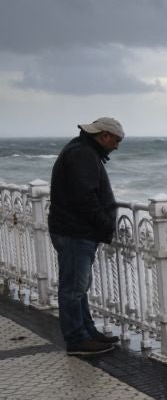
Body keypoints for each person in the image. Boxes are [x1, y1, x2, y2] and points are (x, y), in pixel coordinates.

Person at [48, 117, 124, 356]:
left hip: (73, 229)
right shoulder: (83, 155)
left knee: (78, 287)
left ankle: (87, 332)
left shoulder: (81, 150)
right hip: (75, 231)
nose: (117, 146)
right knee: (73, 288)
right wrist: (104, 223)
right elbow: (85, 198)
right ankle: (77, 339)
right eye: (116, 140)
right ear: (103, 136)